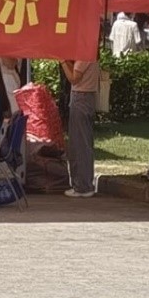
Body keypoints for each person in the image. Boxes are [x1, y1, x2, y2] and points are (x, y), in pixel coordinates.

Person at [60, 55, 100, 197]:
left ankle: (83, 186)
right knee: (81, 142)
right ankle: (81, 183)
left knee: (80, 144)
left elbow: (74, 78)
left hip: (81, 96)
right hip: (84, 97)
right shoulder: (88, 55)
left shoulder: (85, 55)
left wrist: (62, 61)